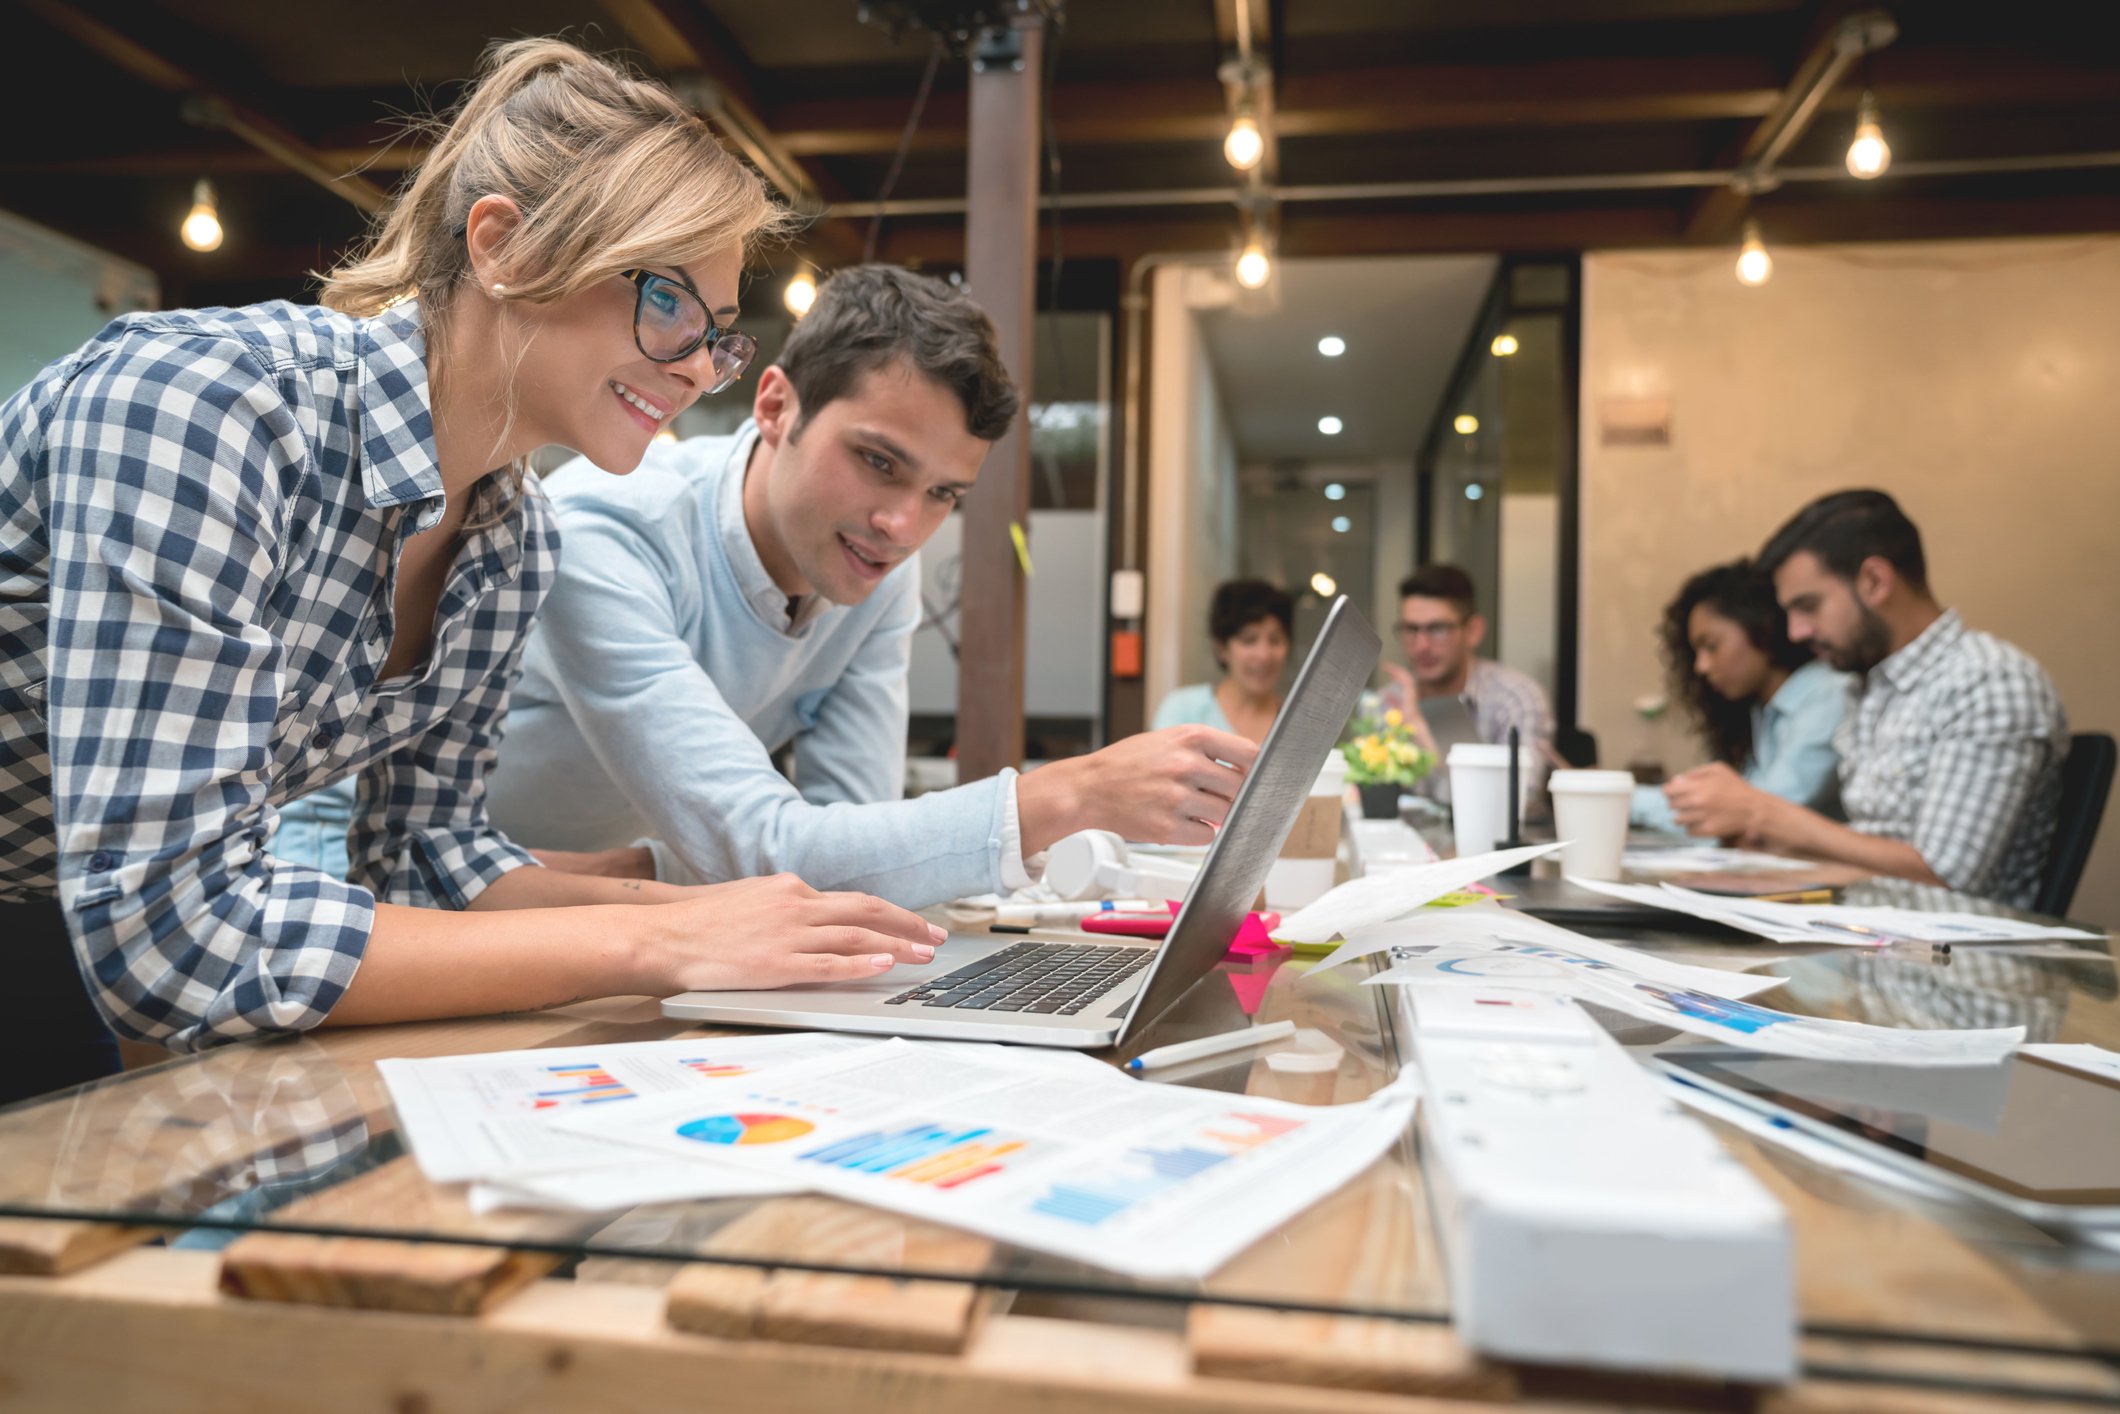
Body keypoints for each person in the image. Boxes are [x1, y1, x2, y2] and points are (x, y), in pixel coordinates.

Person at [0, 40, 947, 1106]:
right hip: (97, 920)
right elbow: (174, 928)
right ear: (500, 244)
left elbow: (425, 856)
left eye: (718, 335)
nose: (692, 364)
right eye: (669, 302)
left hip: (45, 909)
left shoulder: (510, 540)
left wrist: (752, 922)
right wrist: (660, 941)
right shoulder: (204, 408)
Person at [476, 265, 1259, 905]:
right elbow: (774, 847)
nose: (902, 527)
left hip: (641, 911)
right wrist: (1069, 793)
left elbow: (847, 847)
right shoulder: (608, 533)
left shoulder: (877, 571)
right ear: (777, 405)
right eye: (879, 462)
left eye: (944, 495)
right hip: (463, 913)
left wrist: (647, 868)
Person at [1664, 490, 2067, 908]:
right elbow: (1872, 854)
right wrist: (1768, 860)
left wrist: (1764, 814)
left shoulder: (1987, 680)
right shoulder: (1869, 688)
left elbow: (1944, 876)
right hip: (1875, 933)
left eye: (1809, 606)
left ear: (1875, 582)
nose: (1796, 632)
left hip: (1957, 960)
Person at [1637, 560, 1852, 833]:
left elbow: (1753, 814)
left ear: (1761, 628)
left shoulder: (1828, 697)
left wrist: (1621, 798)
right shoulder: (1763, 711)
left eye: (1711, 646)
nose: (1700, 666)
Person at [1376, 563, 1554, 800]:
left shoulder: (1515, 697)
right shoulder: (1390, 700)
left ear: (1473, 631)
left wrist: (1420, 731)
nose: (1421, 645)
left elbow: (1520, 797)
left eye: (1437, 629)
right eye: (1411, 629)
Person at [1151, 579, 1293, 745]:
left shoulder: (1297, 724)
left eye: (1275, 640)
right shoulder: (1182, 710)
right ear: (1222, 648)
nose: (1264, 655)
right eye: (1249, 640)